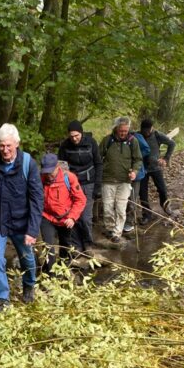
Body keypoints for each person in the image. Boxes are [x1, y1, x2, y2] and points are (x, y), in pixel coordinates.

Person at [0, 123, 43, 311]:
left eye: (9, 146)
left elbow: (37, 199)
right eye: (1, 146)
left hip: (22, 222)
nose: (5, 150)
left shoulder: (28, 164)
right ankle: (2, 299)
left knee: (27, 258)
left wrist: (32, 230)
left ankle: (29, 285)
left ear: (17, 144)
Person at [39, 153, 87, 274]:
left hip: (66, 218)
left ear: (57, 167)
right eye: (46, 172)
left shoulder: (69, 177)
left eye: (51, 172)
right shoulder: (41, 178)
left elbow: (80, 199)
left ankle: (64, 268)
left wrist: (72, 217)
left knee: (65, 245)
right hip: (47, 216)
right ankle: (51, 275)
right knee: (48, 245)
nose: (48, 175)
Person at [57, 120, 100, 250]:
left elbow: (98, 163)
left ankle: (88, 243)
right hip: (71, 184)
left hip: (89, 182)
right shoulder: (64, 145)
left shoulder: (91, 143)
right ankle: (76, 245)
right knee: (73, 215)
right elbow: (61, 166)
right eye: (71, 136)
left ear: (81, 133)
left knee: (86, 217)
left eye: (77, 135)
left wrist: (98, 185)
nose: (74, 139)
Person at [99, 116, 142, 243]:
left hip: (124, 181)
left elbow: (138, 159)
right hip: (107, 180)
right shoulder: (107, 140)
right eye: (121, 130)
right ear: (116, 128)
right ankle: (110, 228)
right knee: (107, 208)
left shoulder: (132, 141)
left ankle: (117, 233)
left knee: (121, 208)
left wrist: (134, 171)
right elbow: (98, 157)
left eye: (126, 130)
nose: (123, 133)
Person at [138, 118, 176, 223]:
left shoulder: (157, 135)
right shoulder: (137, 136)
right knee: (142, 193)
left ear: (152, 128)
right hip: (142, 169)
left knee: (162, 189)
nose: (146, 133)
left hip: (156, 167)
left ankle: (165, 206)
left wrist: (166, 158)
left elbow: (172, 144)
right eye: (144, 131)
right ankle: (146, 214)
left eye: (148, 131)